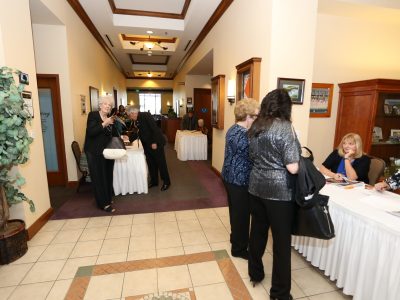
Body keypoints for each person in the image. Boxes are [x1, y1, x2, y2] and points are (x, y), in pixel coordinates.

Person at [247, 89, 300, 300]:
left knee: (257, 232)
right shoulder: (285, 128)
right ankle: (279, 293)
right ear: (286, 107)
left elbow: (252, 156)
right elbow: (293, 168)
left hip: (256, 187)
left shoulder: (256, 126)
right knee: (281, 243)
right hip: (279, 193)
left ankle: (255, 272)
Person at [221, 98, 259, 260]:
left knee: (236, 212)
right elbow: (255, 157)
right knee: (242, 215)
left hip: (230, 177)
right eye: (256, 116)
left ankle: (235, 238)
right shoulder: (244, 136)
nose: (257, 119)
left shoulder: (233, 129)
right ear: (248, 116)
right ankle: (239, 249)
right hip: (239, 180)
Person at [84, 95, 118, 212]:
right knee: (98, 177)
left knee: (108, 175)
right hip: (94, 151)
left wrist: (118, 136)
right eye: (105, 104)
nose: (107, 107)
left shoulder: (109, 117)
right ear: (100, 105)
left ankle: (108, 198)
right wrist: (105, 123)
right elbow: (91, 132)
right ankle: (103, 203)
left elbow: (109, 134)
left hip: (107, 151)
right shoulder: (93, 115)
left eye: (109, 105)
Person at [125, 106, 171, 191]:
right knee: (151, 163)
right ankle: (154, 181)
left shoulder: (145, 115)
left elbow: (154, 129)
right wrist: (128, 139)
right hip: (146, 145)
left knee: (161, 163)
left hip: (155, 143)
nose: (129, 117)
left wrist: (154, 142)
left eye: (129, 115)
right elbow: (137, 132)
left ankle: (166, 182)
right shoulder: (136, 121)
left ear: (132, 113)